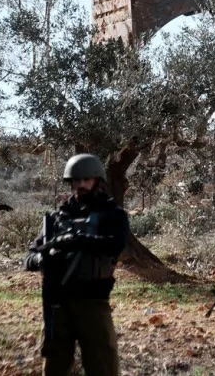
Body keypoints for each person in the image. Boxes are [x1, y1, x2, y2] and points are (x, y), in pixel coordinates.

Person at [24, 153, 129, 376]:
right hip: (58, 302)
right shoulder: (57, 218)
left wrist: (78, 241)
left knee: (103, 364)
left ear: (97, 181)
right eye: (76, 181)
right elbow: (30, 256)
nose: (80, 185)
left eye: (86, 180)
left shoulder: (113, 215)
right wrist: (42, 258)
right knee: (55, 364)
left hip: (92, 301)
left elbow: (115, 246)